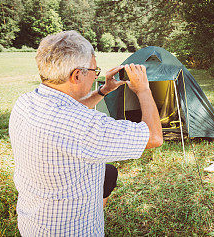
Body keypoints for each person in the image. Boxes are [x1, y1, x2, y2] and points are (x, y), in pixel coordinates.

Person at [9, 30, 163, 236]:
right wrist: (143, 89)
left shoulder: (25, 101)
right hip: (72, 230)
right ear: (77, 75)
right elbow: (154, 137)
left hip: (33, 222)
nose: (95, 75)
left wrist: (103, 90)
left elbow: (71, 110)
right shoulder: (84, 126)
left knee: (108, 173)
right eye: (94, 70)